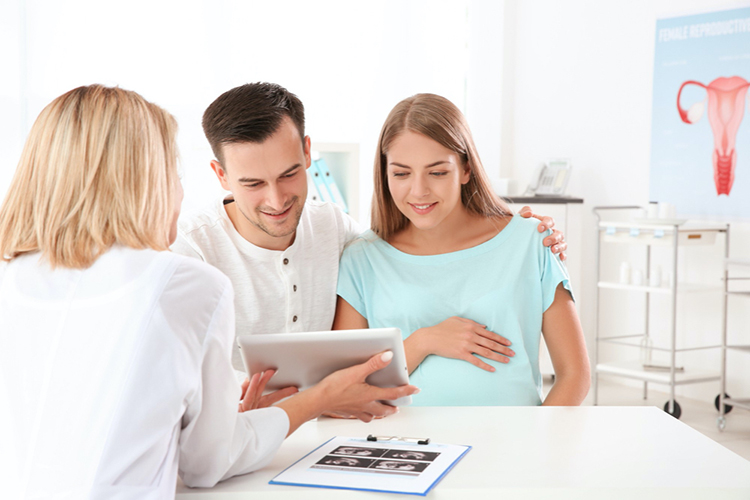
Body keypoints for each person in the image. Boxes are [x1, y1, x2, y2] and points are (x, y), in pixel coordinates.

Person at [0, 85, 417, 499]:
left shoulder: (16, 279)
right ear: (140, 183)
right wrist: (320, 396)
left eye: (289, 173)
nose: (179, 192)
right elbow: (210, 461)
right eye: (172, 173)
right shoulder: (183, 282)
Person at [171, 82, 568, 373]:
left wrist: (529, 233)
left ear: (308, 152)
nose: (276, 200)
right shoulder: (189, 254)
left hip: (326, 431)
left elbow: (407, 249)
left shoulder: (336, 231)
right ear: (221, 175)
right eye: (253, 184)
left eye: (289, 174)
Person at [334, 93, 590, 407]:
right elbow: (346, 389)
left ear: (466, 169)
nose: (419, 191)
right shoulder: (362, 259)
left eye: (437, 172)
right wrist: (423, 342)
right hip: (407, 447)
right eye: (401, 173)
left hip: (514, 446)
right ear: (384, 174)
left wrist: (536, 445)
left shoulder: (530, 241)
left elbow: (574, 374)